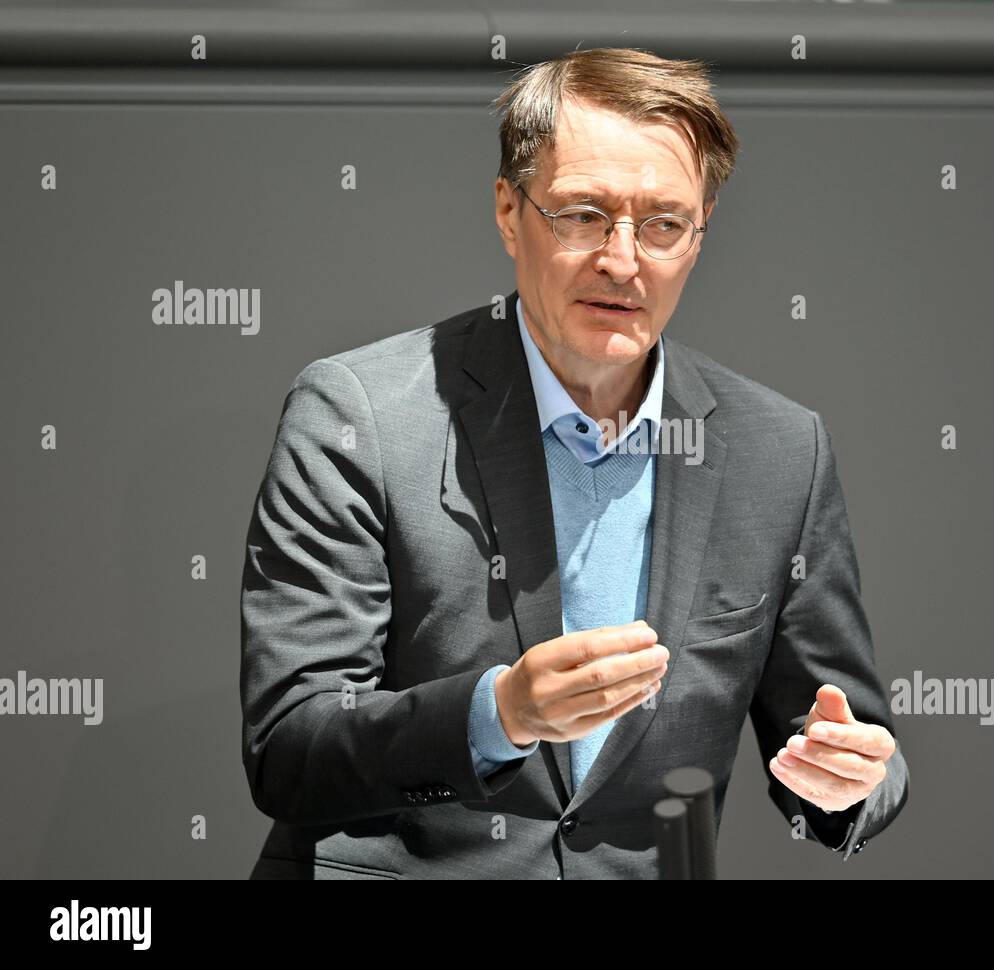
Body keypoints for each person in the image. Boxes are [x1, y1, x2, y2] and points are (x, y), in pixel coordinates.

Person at [239, 46, 908, 880]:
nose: (623, 261)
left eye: (662, 223)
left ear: (700, 236)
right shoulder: (361, 416)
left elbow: (848, 746)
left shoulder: (781, 451)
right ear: (509, 212)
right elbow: (291, 746)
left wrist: (849, 782)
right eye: (584, 214)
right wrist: (500, 713)